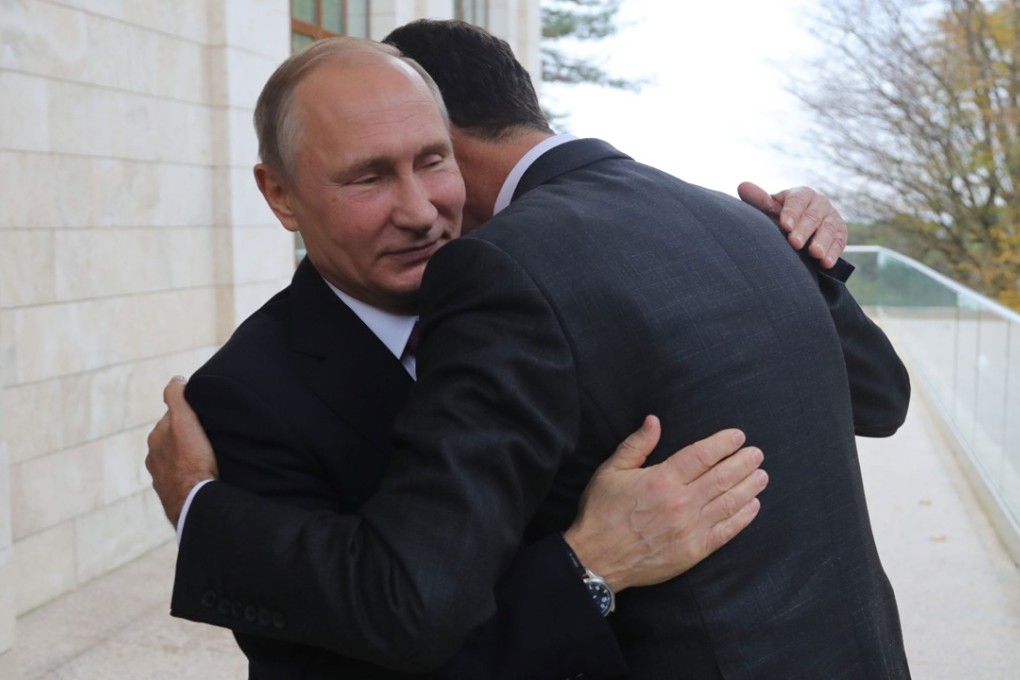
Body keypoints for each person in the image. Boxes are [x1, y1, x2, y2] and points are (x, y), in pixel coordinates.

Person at [147, 25, 910, 680]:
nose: (420, 212)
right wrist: (589, 568)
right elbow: (336, 658)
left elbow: (875, 396)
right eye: (368, 177)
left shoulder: (542, 280)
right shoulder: (245, 398)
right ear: (280, 195)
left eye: (433, 160)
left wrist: (801, 256)